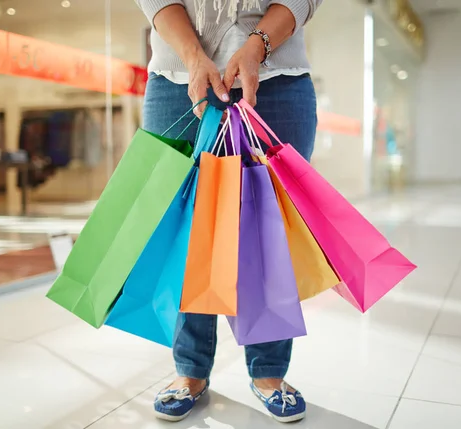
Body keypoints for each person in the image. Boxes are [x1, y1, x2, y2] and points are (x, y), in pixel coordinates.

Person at [135, 0, 322, 423]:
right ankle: (190, 370)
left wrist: (257, 45)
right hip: (178, 78)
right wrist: (193, 54)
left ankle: (269, 372)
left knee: (269, 232)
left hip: (276, 78)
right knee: (187, 232)